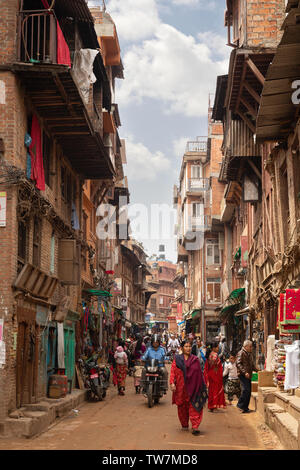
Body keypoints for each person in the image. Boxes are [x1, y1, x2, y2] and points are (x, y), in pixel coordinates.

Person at [170, 340, 208, 435]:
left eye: (189, 346)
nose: (188, 348)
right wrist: (172, 383)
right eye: (186, 346)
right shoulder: (177, 359)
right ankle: (184, 424)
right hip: (181, 389)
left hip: (194, 388)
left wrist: (203, 385)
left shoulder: (195, 360)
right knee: (182, 408)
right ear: (182, 348)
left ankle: (195, 426)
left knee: (194, 406)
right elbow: (173, 372)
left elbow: (200, 374)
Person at [236, 340, 258, 413]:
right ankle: (240, 405)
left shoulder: (249, 354)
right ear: (246, 346)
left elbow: (251, 365)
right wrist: (244, 372)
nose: (251, 348)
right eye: (250, 346)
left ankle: (245, 407)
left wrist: (258, 370)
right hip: (243, 375)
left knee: (248, 391)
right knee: (246, 390)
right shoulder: (241, 353)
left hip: (248, 375)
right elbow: (238, 364)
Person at [203, 342, 227, 412]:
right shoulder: (215, 355)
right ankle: (215, 405)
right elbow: (216, 366)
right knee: (215, 390)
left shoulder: (210, 355)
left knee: (211, 390)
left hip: (210, 374)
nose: (218, 348)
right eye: (217, 347)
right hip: (215, 375)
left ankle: (211, 406)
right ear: (214, 348)